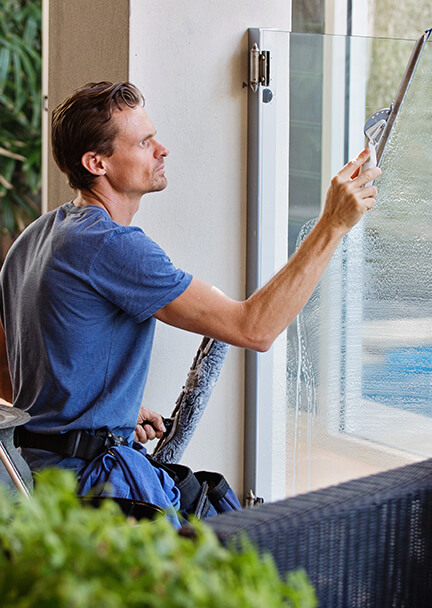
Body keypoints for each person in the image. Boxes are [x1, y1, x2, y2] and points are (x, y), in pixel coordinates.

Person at [0, 81, 380, 506]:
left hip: (33, 474)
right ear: (97, 162)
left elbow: (12, 367)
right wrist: (332, 223)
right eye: (144, 142)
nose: (162, 150)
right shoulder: (111, 245)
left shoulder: (34, 238)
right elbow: (254, 328)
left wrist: (103, 412)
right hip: (88, 487)